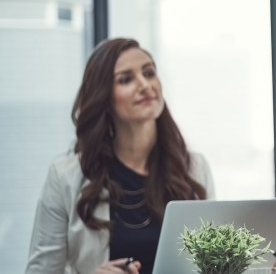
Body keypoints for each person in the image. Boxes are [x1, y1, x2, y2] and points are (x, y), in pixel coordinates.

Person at [25, 38, 215, 274]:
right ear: (103, 97)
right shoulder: (64, 176)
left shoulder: (194, 168)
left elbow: (213, 268)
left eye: (149, 73)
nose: (145, 85)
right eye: (126, 79)